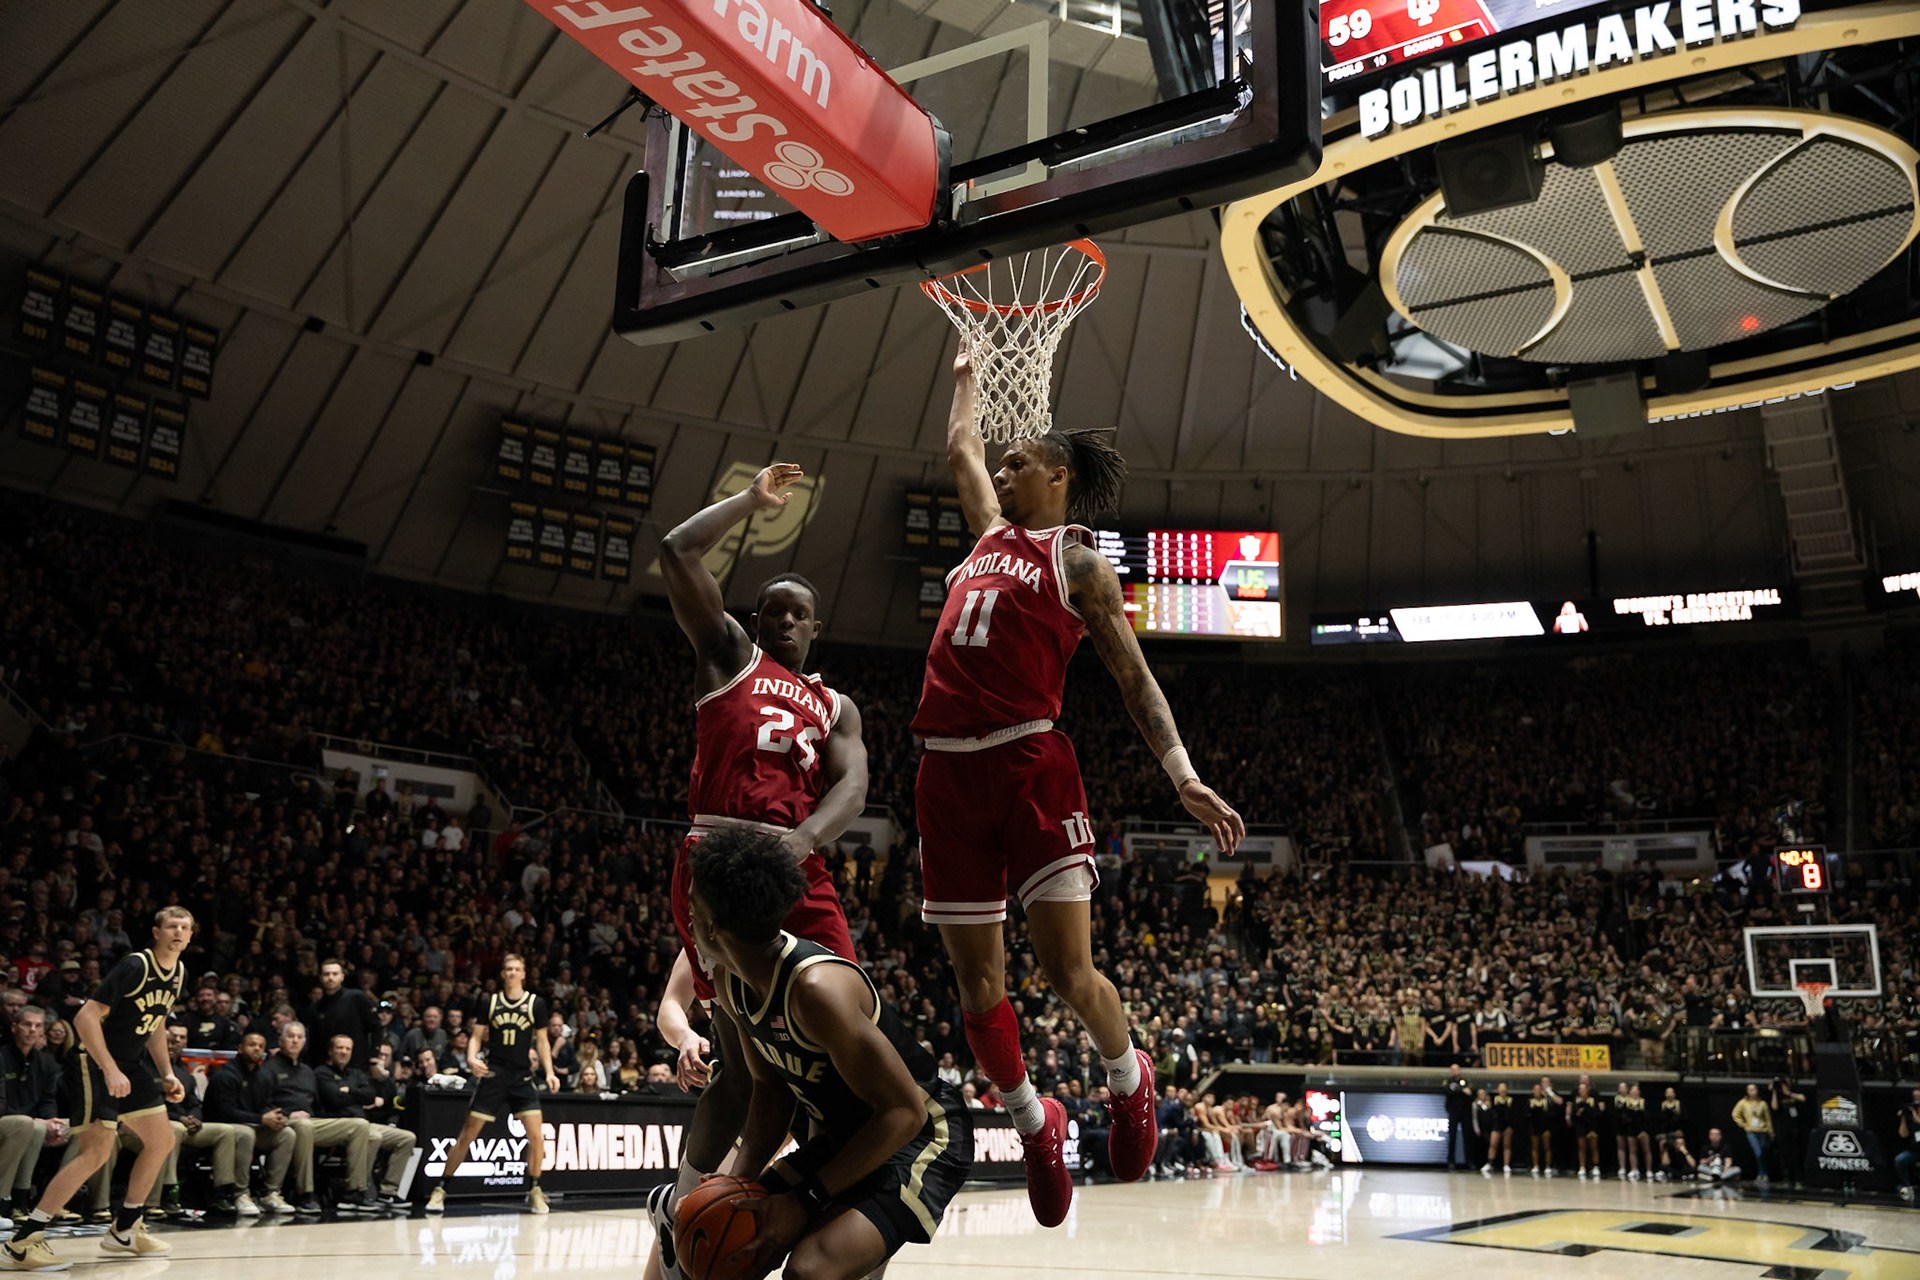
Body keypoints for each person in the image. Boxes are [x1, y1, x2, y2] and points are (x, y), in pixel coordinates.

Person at [913, 347, 1245, 1225]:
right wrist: (964, 375)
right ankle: (1034, 1122)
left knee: (1067, 971)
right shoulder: (987, 535)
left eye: (1019, 462)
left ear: (1057, 477)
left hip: (1030, 762)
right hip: (945, 771)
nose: (1003, 470)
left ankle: (1126, 1080)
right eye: (1005, 461)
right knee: (976, 990)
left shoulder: (1080, 562)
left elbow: (1135, 679)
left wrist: (1185, 777)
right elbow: (959, 452)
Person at [648, 463, 870, 1280]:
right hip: (716, 855)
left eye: (798, 613)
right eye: (772, 608)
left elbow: (854, 786)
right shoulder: (728, 655)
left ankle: (822, 1194)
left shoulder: (835, 704)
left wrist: (805, 840)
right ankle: (685, 1211)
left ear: (816, 628)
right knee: (742, 1065)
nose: (783, 619)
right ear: (755, 618)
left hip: (796, 862)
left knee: (843, 1030)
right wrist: (751, 502)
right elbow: (676, 551)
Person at [682, 827, 971, 1280]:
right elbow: (770, 1094)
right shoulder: (731, 983)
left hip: (923, 1136)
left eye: (692, 906)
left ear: (713, 926)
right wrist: (737, 1186)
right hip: (850, 1136)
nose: (686, 914)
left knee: (811, 1271)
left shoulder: (815, 990)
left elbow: (903, 1113)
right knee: (739, 1245)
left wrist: (806, 1199)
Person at [3, 907, 192, 1269]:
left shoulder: (178, 972)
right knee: (97, 1151)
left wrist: (167, 1072)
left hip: (131, 1065)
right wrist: (109, 1069)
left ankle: (125, 1228)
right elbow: (84, 1016)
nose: (179, 932)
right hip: (93, 1059)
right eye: (172, 926)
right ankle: (23, 1241)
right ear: (157, 931)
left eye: (185, 927)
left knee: (163, 1139)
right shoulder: (136, 965)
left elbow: (155, 1023)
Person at [426, 956, 556, 1216]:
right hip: (494, 1074)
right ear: (503, 974)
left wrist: (550, 1071)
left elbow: (542, 1041)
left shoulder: (535, 1003)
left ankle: (534, 1189)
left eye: (517, 969)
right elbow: (475, 1036)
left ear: (524, 974)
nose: (512, 973)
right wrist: (472, 1058)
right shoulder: (490, 1001)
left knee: (536, 1136)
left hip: (522, 1076)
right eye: (508, 969)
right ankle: (441, 1189)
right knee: (467, 1135)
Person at [120, 1025, 256, 1217]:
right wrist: (180, 1118)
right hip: (158, 1124)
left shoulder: (183, 1073)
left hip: (185, 1125)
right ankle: (166, 1195)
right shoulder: (142, 1068)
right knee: (172, 1129)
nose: (173, 1045)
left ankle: (221, 1192)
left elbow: (194, 1102)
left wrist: (195, 1118)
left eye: (177, 1041)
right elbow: (147, 1106)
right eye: (168, 1041)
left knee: (226, 1131)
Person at [261, 1022, 373, 1216]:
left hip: (312, 1121)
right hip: (282, 1121)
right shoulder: (268, 1069)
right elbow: (262, 1103)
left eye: (299, 1037)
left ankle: (354, 1192)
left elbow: (319, 1104)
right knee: (304, 1126)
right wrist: (288, 1114)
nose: (295, 1040)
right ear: (281, 1040)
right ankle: (305, 1193)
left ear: (305, 1042)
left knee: (360, 1125)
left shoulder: (307, 1071)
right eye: (291, 1036)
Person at [316, 1034, 415, 1212]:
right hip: (338, 1125)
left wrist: (349, 1091)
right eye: (339, 1048)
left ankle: (388, 1192)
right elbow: (334, 1099)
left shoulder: (356, 1073)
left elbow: (370, 1094)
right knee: (373, 1136)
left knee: (407, 1138)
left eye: (348, 1049)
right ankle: (356, 1192)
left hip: (364, 1123)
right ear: (330, 1050)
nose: (344, 1052)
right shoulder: (321, 1073)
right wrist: (357, 1096)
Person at [204, 1030, 301, 1212]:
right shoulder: (225, 1074)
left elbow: (263, 1105)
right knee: (246, 1133)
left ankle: (270, 1193)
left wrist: (276, 1116)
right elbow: (224, 1112)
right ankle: (240, 1193)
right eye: (252, 1044)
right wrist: (261, 1119)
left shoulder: (263, 1075)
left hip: (251, 1124)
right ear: (240, 1048)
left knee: (286, 1134)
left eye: (261, 1046)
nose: (257, 1048)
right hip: (222, 1127)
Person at [0, 1009, 63, 1219]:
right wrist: (39, 1121)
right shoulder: (2, 1056)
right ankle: (15, 1200)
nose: (32, 1030)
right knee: (31, 1126)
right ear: (14, 1027)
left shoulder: (46, 1062)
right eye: (27, 1025)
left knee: (80, 1129)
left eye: (37, 1026)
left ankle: (58, 1201)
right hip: (7, 1121)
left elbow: (48, 1099)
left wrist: (51, 1121)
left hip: (33, 1122)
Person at [301, 960, 380, 1072]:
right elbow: (313, 1042)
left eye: (335, 974)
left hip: (356, 1065)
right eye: (326, 974)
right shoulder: (315, 1007)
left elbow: (376, 1027)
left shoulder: (356, 997)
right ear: (320, 977)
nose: (330, 978)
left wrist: (374, 1056)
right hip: (325, 1068)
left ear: (342, 977)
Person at [1732, 1081, 1773, 1185]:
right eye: (1750, 1089)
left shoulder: (1762, 1103)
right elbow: (1735, 1114)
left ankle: (1764, 1174)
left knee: (1763, 1153)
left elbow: (1767, 1119)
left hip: (1762, 1131)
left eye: (1754, 1089)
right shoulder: (1743, 1103)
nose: (1752, 1091)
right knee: (1758, 1153)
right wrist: (1744, 1125)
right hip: (1751, 1132)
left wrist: (1770, 1131)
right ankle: (1761, 1174)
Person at [1769, 1077, 1806, 1188]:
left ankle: (1799, 1180)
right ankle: (1786, 1179)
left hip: (1794, 1127)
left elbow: (1803, 1098)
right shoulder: (1778, 1095)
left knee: (1796, 1154)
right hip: (1782, 1128)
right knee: (1784, 1155)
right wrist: (1775, 1091)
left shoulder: (1795, 1091)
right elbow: (1774, 1107)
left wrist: (1789, 1093)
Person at [1655, 1086, 1696, 1181]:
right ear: (1665, 1094)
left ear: (1675, 1094)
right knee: (1662, 1143)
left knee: (1679, 1141)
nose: (1669, 1094)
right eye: (1667, 1092)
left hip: (1677, 1131)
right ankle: (1664, 1168)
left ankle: (1685, 1165)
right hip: (1666, 1132)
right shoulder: (1663, 1104)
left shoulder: (1678, 1104)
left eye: (1671, 1092)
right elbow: (1659, 1120)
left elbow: (1685, 1118)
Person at [1567, 1079, 1603, 1178]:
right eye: (1580, 1089)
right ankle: (1582, 1167)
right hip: (1581, 1127)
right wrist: (1577, 1113)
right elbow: (1573, 1115)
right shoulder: (1576, 1101)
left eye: (1583, 1089)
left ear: (1587, 1090)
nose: (1581, 1091)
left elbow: (1598, 1113)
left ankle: (1595, 1166)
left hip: (1592, 1126)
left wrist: (1588, 1110)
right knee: (1582, 1148)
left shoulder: (1593, 1100)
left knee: (1594, 1147)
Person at [1443, 1064, 1472, 1171]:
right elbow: (1447, 1091)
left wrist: (1460, 1091)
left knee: (1467, 1137)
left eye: (1457, 1069)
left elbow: (1470, 1092)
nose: (1455, 1071)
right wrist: (1460, 1091)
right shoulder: (1448, 1081)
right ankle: (1451, 1161)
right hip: (1453, 1111)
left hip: (1465, 1112)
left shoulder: (1466, 1081)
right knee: (1452, 1137)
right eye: (1453, 1070)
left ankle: (1469, 1161)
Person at [1483, 1082, 1514, 1174]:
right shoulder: (1494, 1099)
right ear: (1498, 1090)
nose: (1502, 1090)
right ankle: (1490, 1162)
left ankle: (1506, 1165)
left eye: (1504, 1088)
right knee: (1493, 1144)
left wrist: (1510, 1126)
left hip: (1507, 1125)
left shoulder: (1510, 1100)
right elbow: (1490, 1111)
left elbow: (1512, 1113)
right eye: (1501, 1088)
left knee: (1507, 1145)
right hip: (1497, 1124)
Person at [1895, 1088, 1919, 1202]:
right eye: (1915, 1097)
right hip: (1915, 1150)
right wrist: (1903, 1118)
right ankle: (1907, 1187)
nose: (1916, 1099)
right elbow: (1903, 1134)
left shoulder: (1915, 1114)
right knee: (1900, 1159)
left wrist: (1916, 1117)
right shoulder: (1910, 1113)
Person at [1525, 1082, 1555, 1176]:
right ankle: (1535, 1166)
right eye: (1535, 1090)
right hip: (1534, 1127)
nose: (1537, 1091)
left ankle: (1548, 1166)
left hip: (1545, 1127)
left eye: (1539, 1090)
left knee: (1547, 1147)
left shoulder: (1546, 1101)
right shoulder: (1530, 1102)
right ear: (1533, 1091)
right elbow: (1526, 1114)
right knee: (1535, 1147)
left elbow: (1551, 1113)